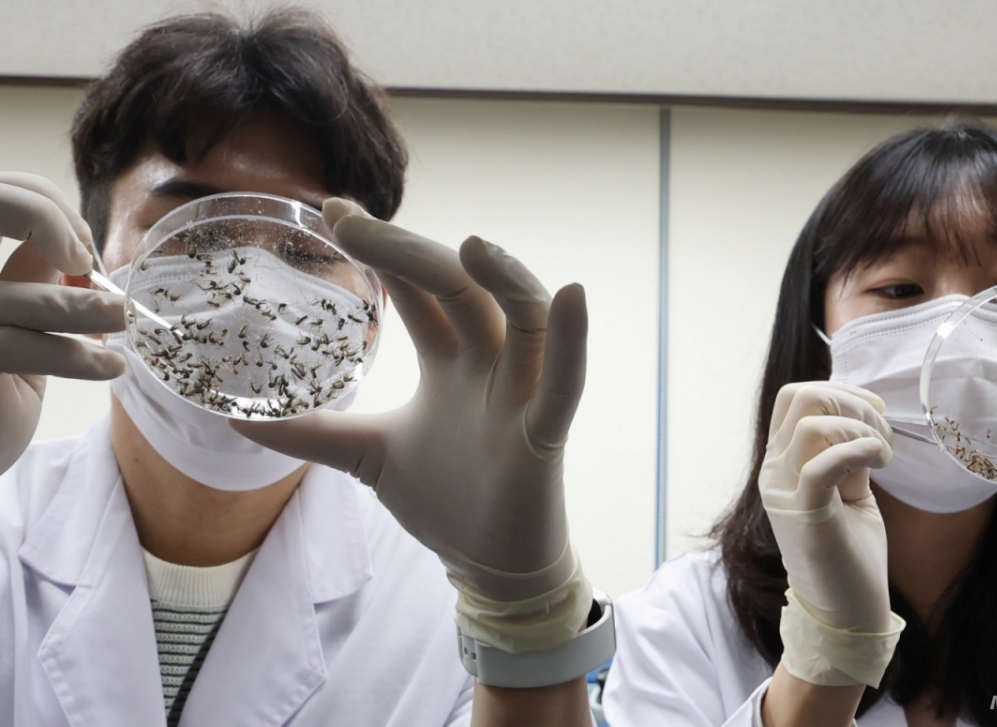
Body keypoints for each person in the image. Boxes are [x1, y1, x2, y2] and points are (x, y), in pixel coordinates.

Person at [0, 11, 605, 726]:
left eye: (308, 250)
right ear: (83, 276)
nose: (251, 296)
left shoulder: (451, 602)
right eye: (198, 234)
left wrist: (522, 615)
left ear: (373, 308)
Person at [602, 122, 997, 727]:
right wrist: (825, 655)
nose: (959, 333)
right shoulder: (685, 622)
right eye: (900, 288)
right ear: (820, 351)